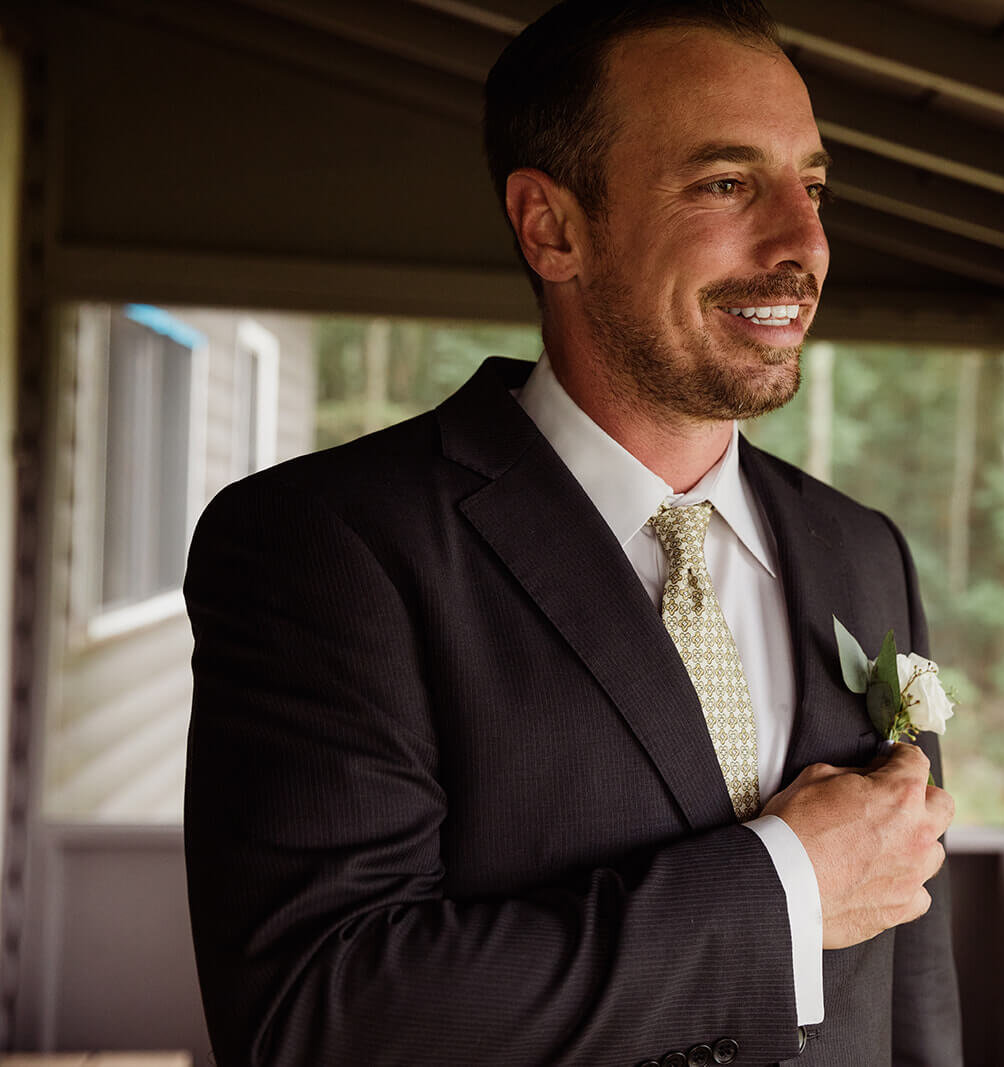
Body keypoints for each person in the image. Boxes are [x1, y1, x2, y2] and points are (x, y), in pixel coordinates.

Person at [183, 2, 962, 1064]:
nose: (805, 245)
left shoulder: (863, 549)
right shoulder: (325, 544)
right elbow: (318, 1011)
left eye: (811, 186)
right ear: (553, 226)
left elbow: (908, 979)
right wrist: (781, 882)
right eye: (727, 183)